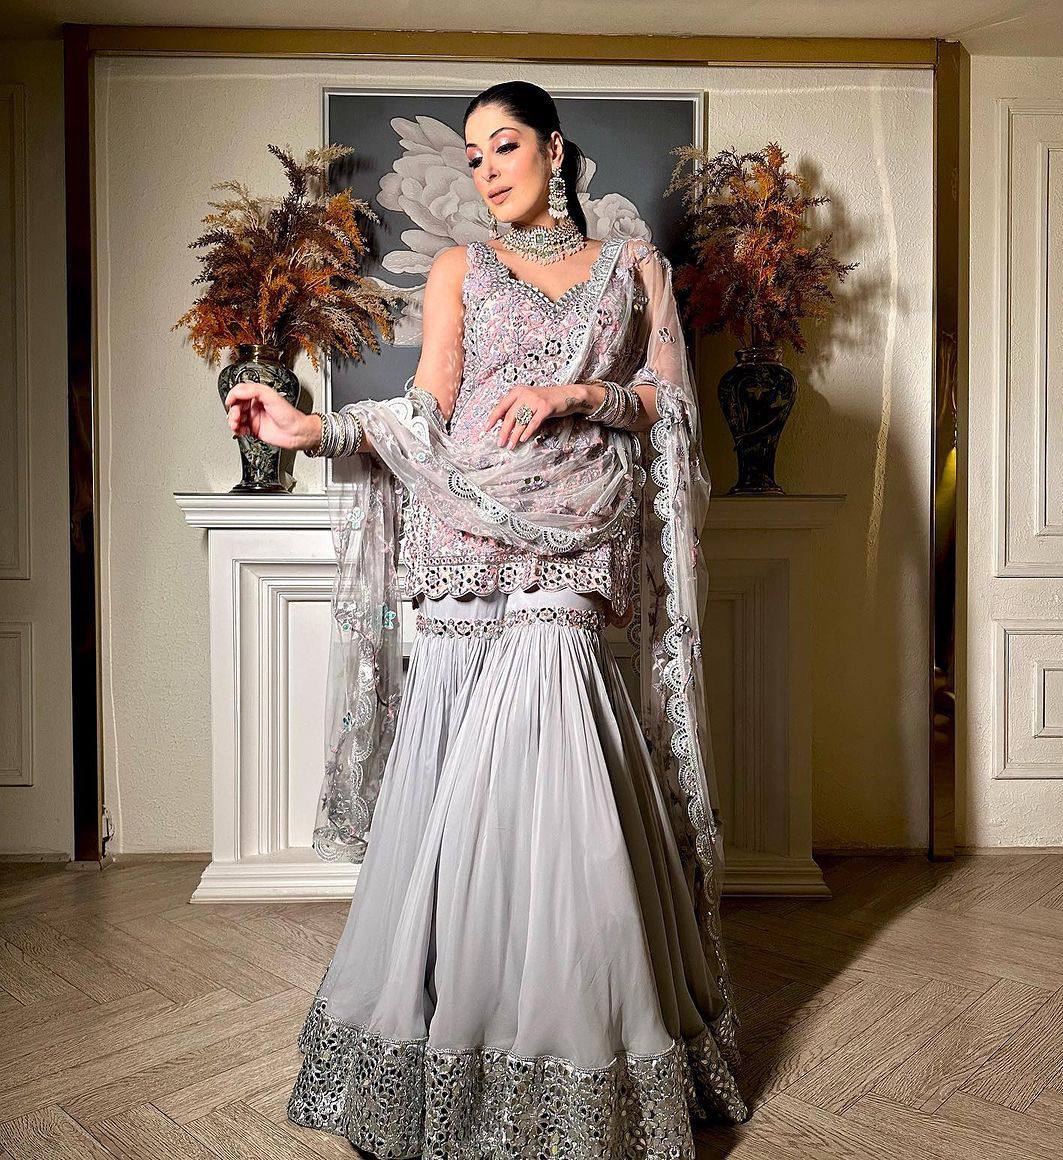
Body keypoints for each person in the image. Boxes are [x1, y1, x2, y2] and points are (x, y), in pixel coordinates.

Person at [223, 80, 750, 1159]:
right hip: (463, 528)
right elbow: (427, 407)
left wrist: (576, 397)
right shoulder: (461, 269)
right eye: (471, 156)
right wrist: (316, 430)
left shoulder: (633, 267)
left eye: (503, 145)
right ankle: (446, 1050)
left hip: (576, 530)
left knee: (555, 772)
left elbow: (668, 403)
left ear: (554, 149)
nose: (486, 169)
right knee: (455, 785)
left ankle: (568, 1052)